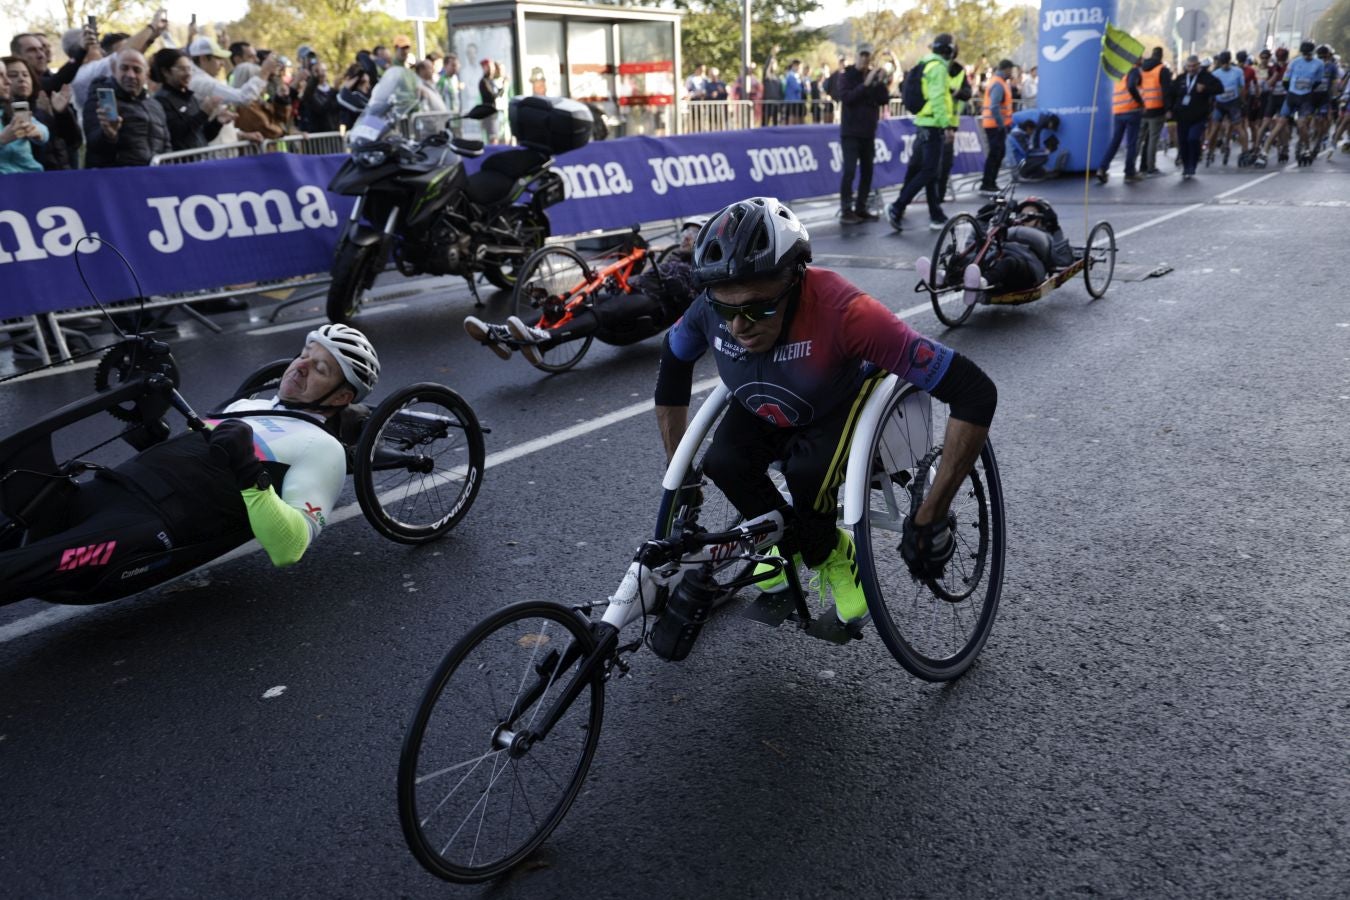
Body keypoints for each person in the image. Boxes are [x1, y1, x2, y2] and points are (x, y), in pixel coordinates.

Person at [652, 198, 998, 625]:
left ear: (794, 280)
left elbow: (975, 392)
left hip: (838, 397)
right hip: (764, 399)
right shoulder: (708, 310)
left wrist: (933, 512)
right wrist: (677, 464)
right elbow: (673, 360)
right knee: (723, 463)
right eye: (727, 309)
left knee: (807, 475)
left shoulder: (850, 313)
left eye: (758, 307)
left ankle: (832, 551)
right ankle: (785, 539)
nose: (738, 326)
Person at [0, 327, 379, 607]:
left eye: (320, 370)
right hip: (114, 485)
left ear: (343, 397)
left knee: (19, 567)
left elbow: (290, 547)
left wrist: (249, 469)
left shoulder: (323, 449)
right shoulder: (248, 406)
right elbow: (196, 462)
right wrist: (149, 435)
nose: (299, 368)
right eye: (304, 355)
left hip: (148, 526)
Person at [462, 222, 701, 365]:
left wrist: (665, 277)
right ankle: (502, 335)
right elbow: (634, 276)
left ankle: (546, 338)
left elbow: (689, 302)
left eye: (693, 232)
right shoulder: (670, 258)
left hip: (651, 308)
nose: (686, 236)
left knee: (603, 309)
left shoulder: (697, 271)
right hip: (631, 296)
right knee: (576, 303)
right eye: (685, 231)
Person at [888, 33, 958, 233]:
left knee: (930, 171)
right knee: (928, 171)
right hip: (933, 125)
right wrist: (946, 125)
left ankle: (936, 214)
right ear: (948, 51)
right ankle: (897, 207)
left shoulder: (927, 64)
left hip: (924, 123)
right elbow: (937, 99)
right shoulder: (938, 68)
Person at [82, 49, 171, 168]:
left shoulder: (155, 105)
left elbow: (166, 144)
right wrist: (109, 135)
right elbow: (94, 144)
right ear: (114, 70)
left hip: (154, 178)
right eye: (124, 68)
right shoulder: (99, 100)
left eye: (137, 70)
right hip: (119, 179)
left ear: (146, 74)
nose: (130, 75)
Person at [837, 45, 891, 224]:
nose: (865, 59)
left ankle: (861, 208)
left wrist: (880, 82)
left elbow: (883, 99)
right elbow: (846, 98)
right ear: (856, 56)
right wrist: (865, 84)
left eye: (868, 56)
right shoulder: (847, 75)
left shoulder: (873, 74)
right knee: (850, 171)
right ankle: (846, 210)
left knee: (868, 172)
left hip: (868, 132)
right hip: (851, 132)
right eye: (862, 55)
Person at [4, 55, 80, 170]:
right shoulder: (5, 113)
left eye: (25, 75)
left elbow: (72, 142)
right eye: (13, 75)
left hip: (58, 177)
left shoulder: (42, 108)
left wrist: (61, 113)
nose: (21, 79)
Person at [152, 48, 228, 151]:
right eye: (182, 69)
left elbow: (203, 136)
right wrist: (203, 113)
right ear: (166, 71)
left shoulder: (191, 98)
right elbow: (176, 133)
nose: (188, 74)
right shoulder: (160, 101)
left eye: (189, 69)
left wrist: (218, 122)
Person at [1167, 55, 1222, 179]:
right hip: (1182, 116)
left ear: (1198, 66)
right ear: (1186, 66)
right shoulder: (1181, 78)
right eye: (1189, 66)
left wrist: (1206, 89)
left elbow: (1219, 88)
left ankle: (1193, 164)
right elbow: (1171, 94)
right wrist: (1169, 109)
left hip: (1198, 116)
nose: (1191, 69)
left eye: (1194, 66)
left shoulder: (1206, 77)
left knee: (1193, 139)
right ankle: (1186, 166)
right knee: (1183, 142)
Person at [1096, 54, 1144, 184]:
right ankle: (1130, 172)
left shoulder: (1119, 72)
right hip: (1132, 110)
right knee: (1132, 143)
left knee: (1115, 142)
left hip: (1118, 111)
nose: (1143, 59)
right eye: (1140, 57)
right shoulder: (1133, 70)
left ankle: (1102, 168)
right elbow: (1131, 87)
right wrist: (1140, 102)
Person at [0, 64, 48, 174]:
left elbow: (42, 129)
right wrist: (2, 140)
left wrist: (37, 132)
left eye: (7, 75)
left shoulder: (16, 106)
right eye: (1, 76)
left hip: (31, 178)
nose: (8, 81)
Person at [978, 59, 1015, 196]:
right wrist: (1001, 124)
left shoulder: (1000, 82)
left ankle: (990, 183)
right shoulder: (998, 84)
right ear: (1006, 69)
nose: (1012, 73)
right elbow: (994, 106)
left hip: (995, 125)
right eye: (1011, 70)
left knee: (998, 153)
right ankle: (987, 183)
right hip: (995, 125)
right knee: (995, 154)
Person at [1204, 51, 1248, 165]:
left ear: (1229, 61)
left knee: (1238, 127)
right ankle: (1210, 150)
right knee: (1214, 128)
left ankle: (1245, 152)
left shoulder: (1238, 71)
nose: (1224, 66)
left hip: (1233, 103)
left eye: (1226, 63)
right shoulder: (1216, 73)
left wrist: (1243, 102)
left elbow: (1242, 88)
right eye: (1222, 63)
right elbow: (1211, 91)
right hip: (1220, 103)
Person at [1138, 47, 1170, 175]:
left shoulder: (1142, 69)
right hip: (1157, 109)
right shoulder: (1162, 70)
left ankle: (1130, 167)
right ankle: (1150, 167)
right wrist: (1168, 109)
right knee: (1153, 139)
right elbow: (1166, 91)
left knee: (1138, 139)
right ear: (1161, 56)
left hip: (1143, 108)